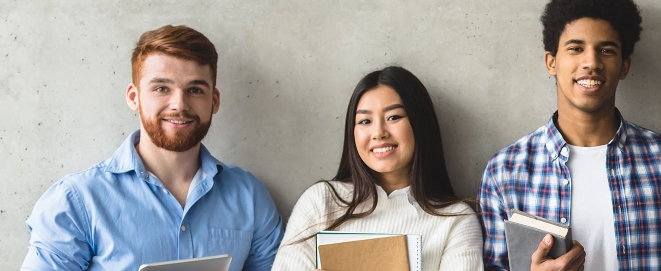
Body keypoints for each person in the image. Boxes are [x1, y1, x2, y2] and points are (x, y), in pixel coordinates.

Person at [22, 25, 283, 271]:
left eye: (194, 89)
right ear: (134, 97)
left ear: (214, 101)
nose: (179, 104)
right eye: (161, 88)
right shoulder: (76, 201)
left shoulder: (250, 197)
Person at [476, 0, 661, 270]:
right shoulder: (505, 171)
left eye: (606, 50)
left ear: (624, 66)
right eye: (576, 48)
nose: (591, 62)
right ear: (551, 62)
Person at [272, 66, 482, 270]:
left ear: (420, 123)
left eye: (393, 117)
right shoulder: (321, 202)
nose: (378, 132)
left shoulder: (456, 220)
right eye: (365, 121)